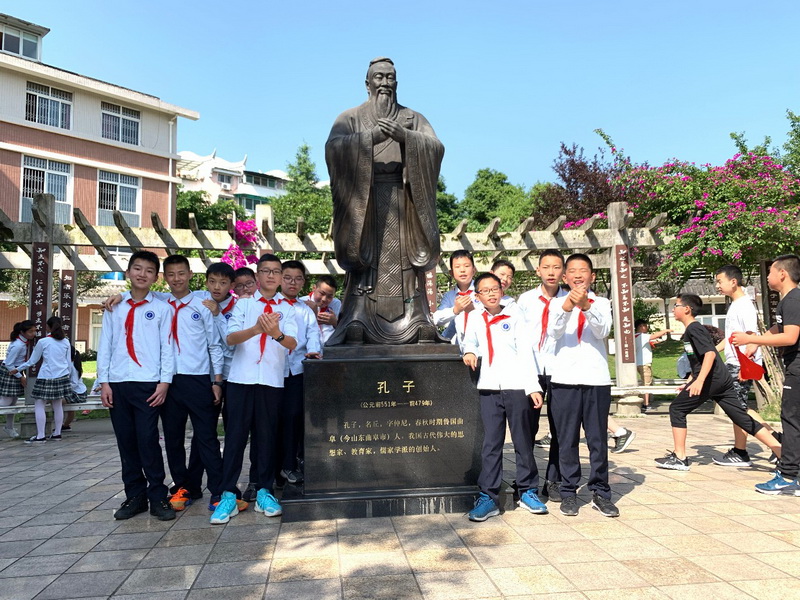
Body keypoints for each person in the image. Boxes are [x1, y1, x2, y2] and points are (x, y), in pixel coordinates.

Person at [326, 57, 444, 345]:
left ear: (397, 83)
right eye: (379, 77)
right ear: (367, 83)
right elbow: (333, 149)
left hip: (404, 203)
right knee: (365, 262)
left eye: (390, 77)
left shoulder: (413, 118)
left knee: (407, 264)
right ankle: (358, 318)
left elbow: (436, 147)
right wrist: (369, 139)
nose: (385, 83)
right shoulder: (349, 118)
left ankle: (415, 319)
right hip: (364, 205)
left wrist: (407, 138)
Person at [211, 253, 298, 524]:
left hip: (271, 381)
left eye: (275, 271)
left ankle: (264, 491)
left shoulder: (288, 308)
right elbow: (230, 338)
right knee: (235, 438)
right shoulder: (244, 304)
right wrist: (257, 329)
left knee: (266, 438)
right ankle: (228, 494)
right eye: (265, 271)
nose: (271, 275)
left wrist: (276, 334)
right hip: (241, 380)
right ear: (257, 275)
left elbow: (292, 343)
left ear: (280, 277)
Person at [655, 293, 781, 472]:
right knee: (742, 418)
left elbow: (710, 354)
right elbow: (698, 361)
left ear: (687, 309)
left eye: (676, 306)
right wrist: (691, 380)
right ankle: (782, 453)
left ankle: (680, 457)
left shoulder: (694, 329)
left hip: (712, 380)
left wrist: (699, 381)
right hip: (721, 379)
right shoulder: (692, 329)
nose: (673, 309)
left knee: (677, 409)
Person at [95, 250, 175, 521]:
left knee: (148, 440)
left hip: (148, 384)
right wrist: (104, 382)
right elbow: (105, 345)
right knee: (126, 442)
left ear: (156, 277)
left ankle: (158, 496)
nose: (142, 274)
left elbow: (167, 347)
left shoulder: (162, 308)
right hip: (117, 384)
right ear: (128, 272)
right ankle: (135, 496)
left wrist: (164, 382)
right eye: (137, 268)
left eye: (149, 270)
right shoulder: (114, 307)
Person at [462, 273, 546, 521]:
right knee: (491, 444)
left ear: (501, 290)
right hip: (489, 388)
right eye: (485, 290)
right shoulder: (475, 317)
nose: (490, 294)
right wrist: (469, 351)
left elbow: (526, 352)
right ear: (477, 296)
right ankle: (488, 497)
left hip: (516, 386)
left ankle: (528, 491)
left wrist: (533, 387)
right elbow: (470, 341)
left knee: (523, 441)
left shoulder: (515, 315)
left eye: (494, 289)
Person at [547, 253, 618, 517]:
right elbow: (553, 332)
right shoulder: (556, 303)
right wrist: (568, 307)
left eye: (583, 270)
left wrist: (586, 306)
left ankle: (601, 492)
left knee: (597, 439)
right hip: (564, 380)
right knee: (566, 439)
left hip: (595, 380)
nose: (578, 275)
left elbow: (603, 331)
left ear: (592, 276)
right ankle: (568, 492)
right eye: (573, 271)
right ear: (565, 277)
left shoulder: (602, 303)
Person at [159, 255, 225, 512]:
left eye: (181, 273)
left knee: (207, 438)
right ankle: (182, 487)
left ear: (190, 275)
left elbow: (214, 345)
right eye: (171, 274)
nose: (176, 279)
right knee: (173, 438)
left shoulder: (203, 305)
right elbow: (134, 294)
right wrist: (118, 297)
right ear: (164, 277)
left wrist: (217, 381)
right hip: (168, 381)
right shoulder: (160, 303)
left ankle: (218, 490)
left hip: (198, 380)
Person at [732, 254, 800, 495]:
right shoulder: (789, 300)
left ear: (782, 273)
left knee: (791, 420)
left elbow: (790, 337)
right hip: (794, 366)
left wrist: (750, 338)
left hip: (797, 368)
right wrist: (756, 343)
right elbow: (779, 328)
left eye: (771, 271)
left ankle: (789, 475)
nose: (768, 276)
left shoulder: (793, 300)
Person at [713, 265, 779, 467]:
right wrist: (712, 353)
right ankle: (773, 439)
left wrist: (744, 366)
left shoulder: (744, 306)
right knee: (739, 407)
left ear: (733, 281)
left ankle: (745, 451)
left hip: (740, 365)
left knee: (738, 408)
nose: (717, 286)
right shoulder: (735, 304)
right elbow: (731, 339)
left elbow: (752, 339)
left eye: (720, 281)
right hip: (734, 363)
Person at [517, 250, 567, 502]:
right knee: (527, 427)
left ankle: (553, 480)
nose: (551, 272)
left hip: (561, 369)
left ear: (563, 272)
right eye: (546, 267)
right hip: (532, 369)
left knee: (560, 428)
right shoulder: (525, 300)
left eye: (556, 267)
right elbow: (518, 337)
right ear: (538, 270)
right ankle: (526, 480)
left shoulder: (570, 299)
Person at [276, 260, 321, 485]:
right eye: (287, 278)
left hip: (296, 371)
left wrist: (313, 351)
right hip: (271, 371)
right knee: (270, 421)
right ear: (279, 279)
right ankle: (266, 472)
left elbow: (313, 334)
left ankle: (289, 466)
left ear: (304, 282)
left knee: (293, 418)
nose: (292, 283)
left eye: (298, 279)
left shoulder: (305, 310)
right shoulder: (270, 304)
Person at [11, 317, 72, 443]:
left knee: (39, 404)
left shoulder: (43, 342)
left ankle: (40, 435)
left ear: (48, 327)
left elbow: (32, 361)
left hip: (46, 376)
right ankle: (57, 433)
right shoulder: (65, 341)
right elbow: (68, 362)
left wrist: (18, 369)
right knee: (57, 404)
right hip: (62, 375)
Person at [433, 250, 479, 350]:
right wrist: (455, 310)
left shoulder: (482, 291)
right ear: (451, 273)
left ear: (474, 270)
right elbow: (436, 319)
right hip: (459, 349)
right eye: (457, 267)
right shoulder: (449, 296)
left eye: (466, 266)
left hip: (482, 348)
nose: (462, 270)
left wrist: (474, 311)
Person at [0, 320, 35, 438]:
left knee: (13, 402)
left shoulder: (23, 342)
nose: (33, 334)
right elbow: (9, 364)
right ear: (22, 332)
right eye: (30, 331)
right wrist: (20, 377)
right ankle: (8, 427)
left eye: (34, 331)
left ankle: (9, 427)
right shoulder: (18, 345)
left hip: (15, 371)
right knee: (5, 403)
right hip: (10, 372)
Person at [634, 319, 671, 412]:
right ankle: (645, 404)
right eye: (645, 325)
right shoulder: (643, 336)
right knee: (646, 384)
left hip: (639, 363)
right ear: (640, 327)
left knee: (645, 382)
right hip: (644, 363)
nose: (646, 327)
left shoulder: (636, 336)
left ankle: (644, 401)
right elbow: (655, 335)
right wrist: (666, 330)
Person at [304, 275, 341, 348]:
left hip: (331, 348)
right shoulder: (302, 302)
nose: (324, 299)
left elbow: (343, 330)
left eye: (330, 296)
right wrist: (313, 317)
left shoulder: (336, 304)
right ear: (314, 288)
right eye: (322, 293)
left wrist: (335, 322)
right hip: (307, 348)